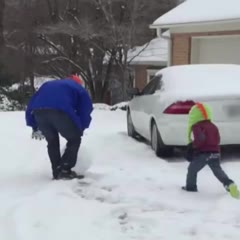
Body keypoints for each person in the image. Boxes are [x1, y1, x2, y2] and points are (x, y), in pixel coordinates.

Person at [25, 74, 93, 180]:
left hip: (39, 113)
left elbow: (31, 104)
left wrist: (33, 125)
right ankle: (64, 170)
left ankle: (57, 171)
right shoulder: (78, 88)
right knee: (74, 139)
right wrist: (81, 127)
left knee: (52, 141)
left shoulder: (47, 85)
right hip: (60, 112)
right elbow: (85, 109)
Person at [182, 102, 239, 199]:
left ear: (194, 115)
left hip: (203, 153)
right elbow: (218, 139)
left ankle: (191, 187)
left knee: (192, 169)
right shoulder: (213, 126)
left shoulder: (197, 126)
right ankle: (229, 184)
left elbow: (200, 139)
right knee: (217, 171)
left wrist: (194, 147)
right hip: (215, 153)